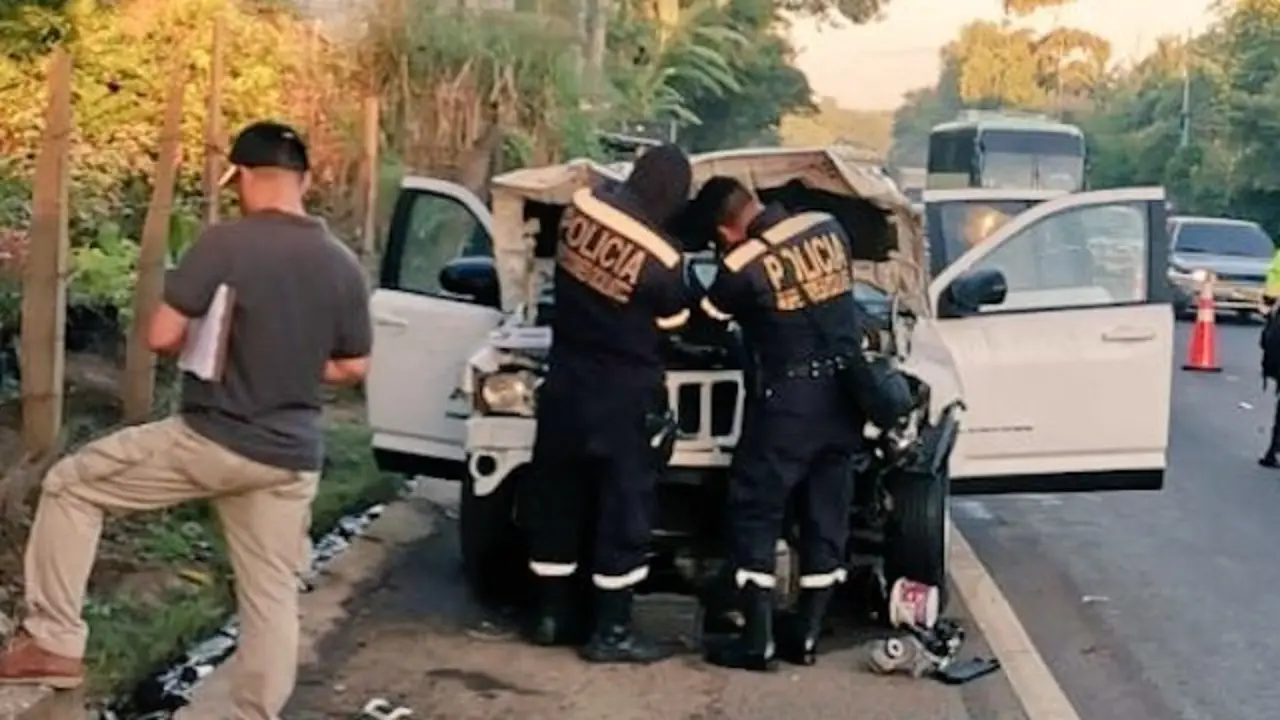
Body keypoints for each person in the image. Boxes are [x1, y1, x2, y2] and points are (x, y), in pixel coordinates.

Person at [0, 121, 373, 720]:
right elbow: (354, 364)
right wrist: (293, 363)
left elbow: (160, 334)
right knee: (271, 595)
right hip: (289, 459)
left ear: (245, 179)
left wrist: (214, 345)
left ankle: (54, 642)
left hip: (212, 437)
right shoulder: (341, 265)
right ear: (302, 180)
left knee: (71, 484)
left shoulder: (227, 244)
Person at [523, 145, 693, 664]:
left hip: (565, 382)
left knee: (558, 500)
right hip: (623, 397)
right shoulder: (664, 260)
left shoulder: (582, 207)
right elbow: (675, 326)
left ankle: (552, 618)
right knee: (624, 509)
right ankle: (611, 633)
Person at [692, 176, 865, 672]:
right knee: (826, 517)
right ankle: (806, 636)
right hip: (844, 397)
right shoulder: (829, 227)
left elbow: (707, 322)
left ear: (726, 231)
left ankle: (757, 640)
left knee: (755, 511)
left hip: (786, 404)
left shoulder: (741, 265)